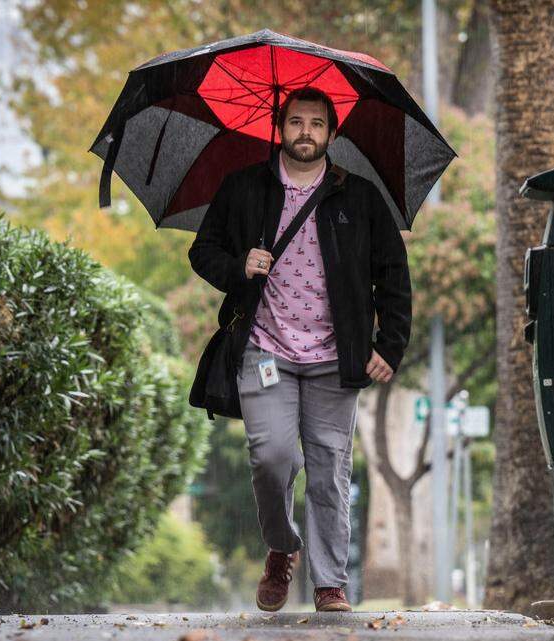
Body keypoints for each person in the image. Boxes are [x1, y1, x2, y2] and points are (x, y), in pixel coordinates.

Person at [187, 87, 412, 612]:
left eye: (316, 123)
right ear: (279, 129)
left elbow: (394, 277)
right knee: (272, 458)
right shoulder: (244, 189)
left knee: (330, 470)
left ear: (331, 134)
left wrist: (390, 346)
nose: (305, 131)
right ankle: (283, 546)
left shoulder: (359, 197)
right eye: (295, 122)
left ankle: (330, 583)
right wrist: (239, 265)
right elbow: (203, 251)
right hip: (265, 351)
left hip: (337, 357)